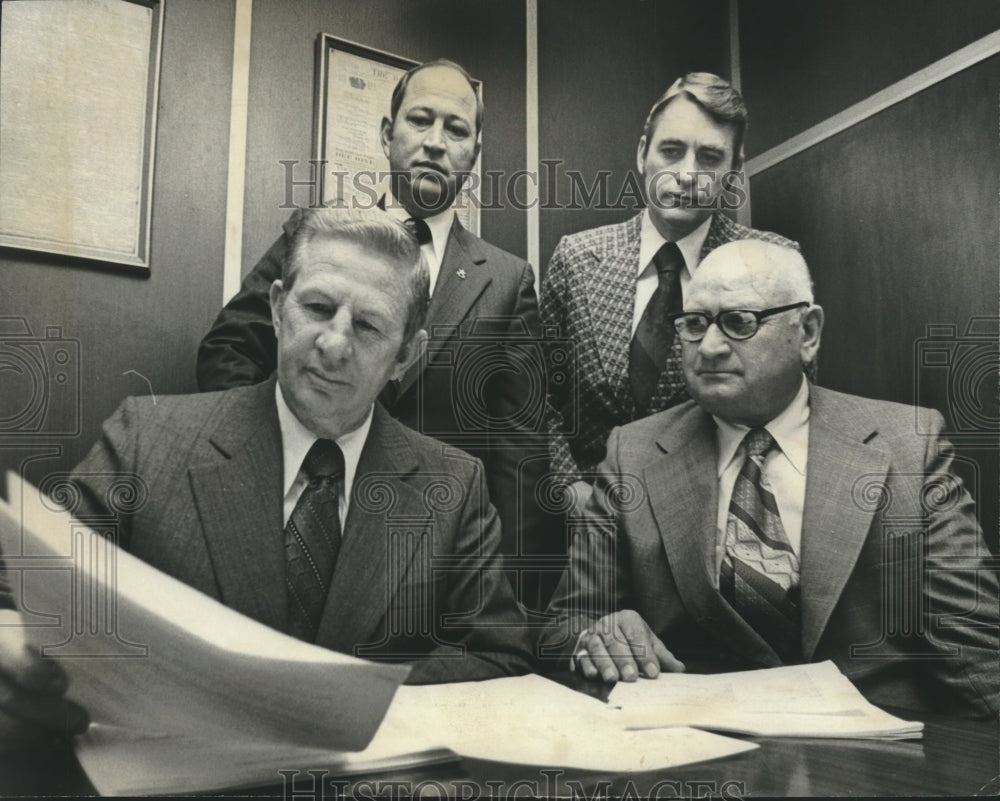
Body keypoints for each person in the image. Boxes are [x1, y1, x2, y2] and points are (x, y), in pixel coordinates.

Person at [0, 206, 534, 746]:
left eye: (369, 326)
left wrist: (360, 704)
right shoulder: (146, 439)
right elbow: (19, 589)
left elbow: (495, 651)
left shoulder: (454, 486)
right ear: (278, 310)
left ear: (405, 355)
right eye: (318, 308)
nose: (334, 344)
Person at [540, 239, 999, 717]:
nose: (710, 347)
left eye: (740, 322)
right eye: (695, 324)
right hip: (695, 759)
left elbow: (977, 648)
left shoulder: (908, 446)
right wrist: (604, 633)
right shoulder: (631, 453)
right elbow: (564, 627)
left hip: (874, 765)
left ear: (808, 332)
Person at [197, 60, 555, 605]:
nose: (435, 142)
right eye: (420, 120)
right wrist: (257, 470)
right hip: (289, 523)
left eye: (456, 129)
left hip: (427, 562)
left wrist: (515, 599)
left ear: (474, 154)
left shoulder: (507, 282)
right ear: (389, 135)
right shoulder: (315, 232)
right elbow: (230, 349)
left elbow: (519, 456)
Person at [542, 73, 798, 506]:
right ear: (643, 153)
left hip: (715, 525)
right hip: (591, 527)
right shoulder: (576, 258)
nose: (687, 175)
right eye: (672, 150)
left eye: (710, 158)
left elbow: (792, 413)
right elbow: (538, 395)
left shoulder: (774, 265)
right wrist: (571, 489)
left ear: (734, 172)